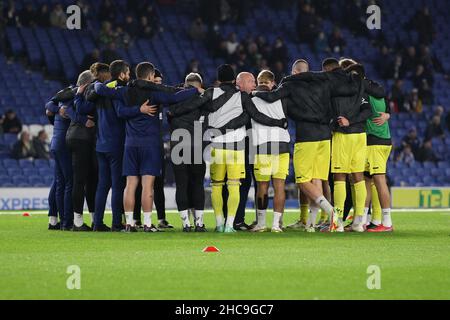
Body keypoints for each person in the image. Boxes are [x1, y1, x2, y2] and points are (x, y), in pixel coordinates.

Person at [93, 62, 199, 232]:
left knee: (130, 185)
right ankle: (148, 224)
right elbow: (174, 97)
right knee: (148, 186)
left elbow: (103, 91)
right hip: (149, 145)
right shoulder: (153, 93)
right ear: (150, 76)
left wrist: (96, 83)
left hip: (130, 145)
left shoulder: (125, 91)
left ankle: (129, 223)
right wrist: (195, 90)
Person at [253, 59, 355, 232]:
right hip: (325, 136)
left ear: (294, 72)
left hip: (307, 137)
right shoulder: (324, 83)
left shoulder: (290, 85)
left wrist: (253, 94)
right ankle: (311, 225)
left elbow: (271, 97)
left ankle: (332, 214)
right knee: (317, 179)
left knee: (303, 181)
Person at [326, 58, 385, 232]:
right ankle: (359, 222)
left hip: (343, 136)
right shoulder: (360, 88)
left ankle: (337, 222)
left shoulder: (335, 89)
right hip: (360, 136)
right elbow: (367, 110)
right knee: (358, 177)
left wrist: (345, 121)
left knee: (340, 178)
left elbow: (329, 112)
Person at [344, 64, 394, 233]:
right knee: (365, 180)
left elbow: (365, 112)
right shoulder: (375, 89)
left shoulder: (364, 92)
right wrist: (388, 114)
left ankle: (387, 223)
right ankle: (363, 221)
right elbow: (387, 104)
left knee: (379, 180)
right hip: (376, 140)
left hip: (376, 142)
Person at [167, 73, 208, 232]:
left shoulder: (174, 100)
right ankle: (199, 223)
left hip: (178, 145)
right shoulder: (203, 100)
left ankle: (185, 224)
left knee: (181, 185)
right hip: (196, 144)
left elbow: (169, 118)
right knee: (197, 184)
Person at [250, 70, 290, 233]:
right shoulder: (281, 98)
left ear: (259, 82)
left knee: (262, 186)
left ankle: (261, 224)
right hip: (282, 144)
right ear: (272, 82)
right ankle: (276, 225)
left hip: (264, 145)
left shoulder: (252, 99)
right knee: (280, 186)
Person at [65, 70, 97, 232]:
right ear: (87, 83)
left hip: (73, 136)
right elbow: (60, 107)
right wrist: (84, 120)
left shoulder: (73, 94)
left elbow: (64, 108)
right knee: (82, 181)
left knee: (85, 180)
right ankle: (78, 221)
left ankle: (92, 219)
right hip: (82, 139)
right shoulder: (88, 94)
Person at [45, 85, 77, 231]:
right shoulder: (74, 95)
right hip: (64, 143)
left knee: (58, 182)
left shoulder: (63, 95)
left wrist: (56, 111)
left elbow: (49, 106)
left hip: (56, 141)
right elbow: (50, 106)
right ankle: (66, 221)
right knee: (68, 182)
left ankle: (54, 219)